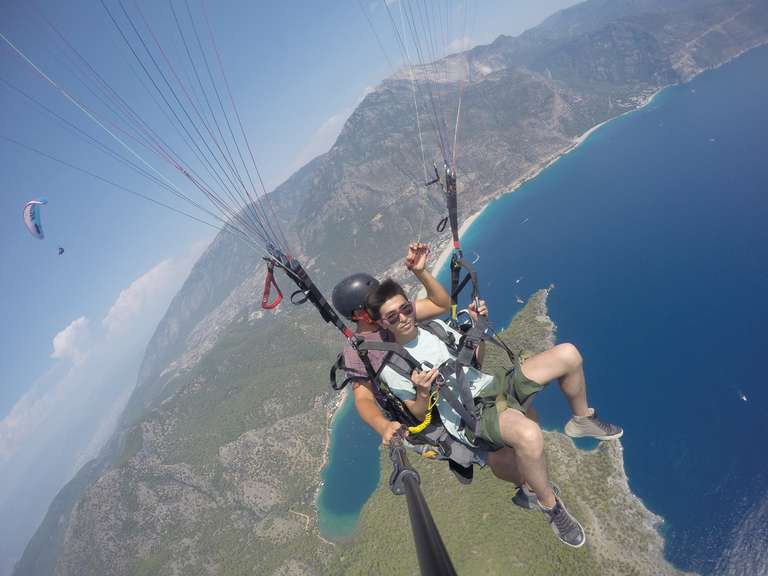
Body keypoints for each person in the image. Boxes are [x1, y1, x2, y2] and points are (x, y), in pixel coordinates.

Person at [364, 278, 624, 548]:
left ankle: (581, 420)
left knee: (568, 354)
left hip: (490, 384)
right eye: (392, 317)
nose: (403, 318)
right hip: (468, 414)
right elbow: (418, 414)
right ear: (383, 324)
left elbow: (475, 360)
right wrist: (422, 391)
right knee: (528, 433)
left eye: (405, 309)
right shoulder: (392, 365)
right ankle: (551, 507)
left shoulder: (435, 328)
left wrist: (478, 328)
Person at [331, 243, 451, 446]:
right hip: (422, 413)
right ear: (359, 314)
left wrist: (420, 272)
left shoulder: (396, 314)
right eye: (374, 302)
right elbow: (364, 398)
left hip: (447, 389)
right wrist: (383, 426)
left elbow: (441, 304)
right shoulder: (357, 350)